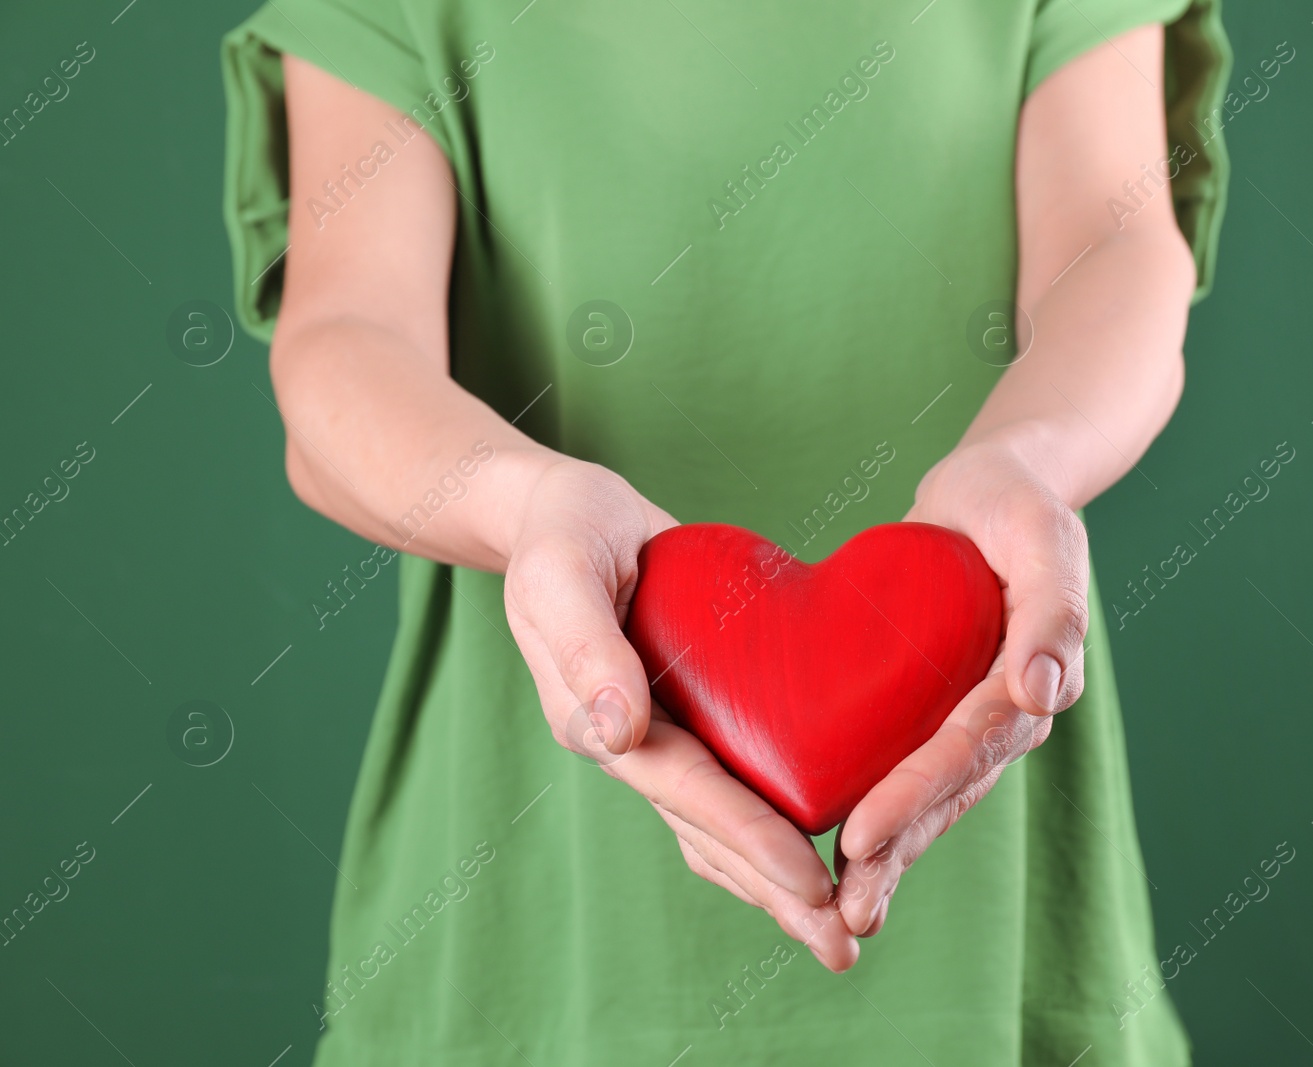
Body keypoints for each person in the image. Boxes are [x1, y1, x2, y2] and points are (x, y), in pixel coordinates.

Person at [221, 0, 1229, 1061]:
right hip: (527, 891)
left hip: (985, 856)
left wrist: (1026, 459)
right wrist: (527, 506)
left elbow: (1117, 242)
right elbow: (345, 337)